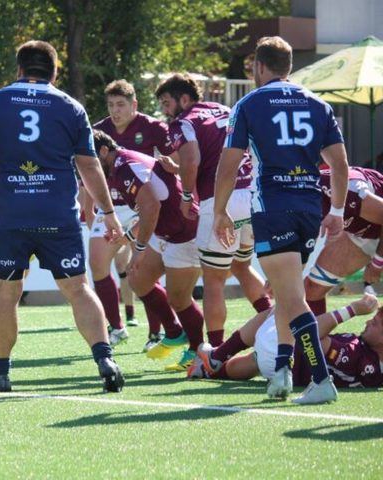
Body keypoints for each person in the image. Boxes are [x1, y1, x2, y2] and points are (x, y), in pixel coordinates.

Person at [0, 40, 125, 393]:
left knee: (6, 294)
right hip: (58, 215)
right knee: (77, 289)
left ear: (18, 69)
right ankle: (105, 358)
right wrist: (108, 212)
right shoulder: (71, 107)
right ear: (55, 71)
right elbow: (89, 166)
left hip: (11, 217)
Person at [214, 36, 349, 404]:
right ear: (289, 67)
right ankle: (284, 371)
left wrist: (219, 211)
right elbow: (339, 164)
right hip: (309, 208)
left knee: (291, 297)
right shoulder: (318, 104)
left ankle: (321, 380)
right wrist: (336, 211)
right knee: (288, 297)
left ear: (259, 66)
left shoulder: (249, 103)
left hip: (273, 207)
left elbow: (229, 165)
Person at [156, 73, 271, 348]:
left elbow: (192, 158)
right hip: (252, 196)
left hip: (220, 200)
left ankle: (216, 352)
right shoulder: (227, 109)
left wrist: (186, 195)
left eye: (166, 102)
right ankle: (273, 323)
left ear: (184, 98)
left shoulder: (183, 121)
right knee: (242, 265)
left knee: (213, 279)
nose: (164, 109)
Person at [93, 130, 204, 371]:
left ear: (103, 151)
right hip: (167, 230)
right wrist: (128, 237)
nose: (88, 167)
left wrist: (139, 246)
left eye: (90, 160)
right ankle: (175, 332)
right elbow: (150, 208)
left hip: (185, 232)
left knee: (179, 298)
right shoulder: (120, 164)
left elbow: (151, 206)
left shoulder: (124, 167)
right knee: (139, 279)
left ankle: (198, 351)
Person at [89, 79, 177, 347]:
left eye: (121, 104)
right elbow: (87, 174)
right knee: (97, 263)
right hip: (111, 206)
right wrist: (88, 210)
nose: (115, 111)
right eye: (111, 105)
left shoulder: (153, 127)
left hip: (144, 206)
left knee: (142, 270)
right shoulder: (98, 131)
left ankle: (156, 332)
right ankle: (117, 328)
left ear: (134, 104)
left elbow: (175, 161)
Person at [189, 293, 382, 392]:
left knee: (283, 307)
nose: (367, 322)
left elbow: (311, 334)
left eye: (374, 323)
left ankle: (217, 356)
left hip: (283, 359)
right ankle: (209, 371)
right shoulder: (366, 352)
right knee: (256, 360)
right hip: (279, 369)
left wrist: (352, 310)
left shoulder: (357, 355)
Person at [306, 166, 383, 314]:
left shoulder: (348, 190)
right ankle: (317, 337)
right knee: (313, 289)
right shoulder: (288, 203)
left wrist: (377, 263)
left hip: (375, 218)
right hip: (362, 231)